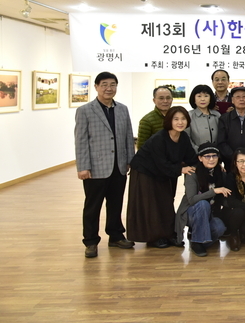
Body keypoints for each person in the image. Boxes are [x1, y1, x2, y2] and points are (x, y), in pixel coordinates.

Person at [75, 71, 136, 258]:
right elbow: (81, 141)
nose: (109, 88)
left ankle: (116, 236)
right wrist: (82, 166)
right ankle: (91, 241)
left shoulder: (122, 109)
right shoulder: (85, 110)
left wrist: (130, 161)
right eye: (104, 85)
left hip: (119, 166)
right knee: (92, 206)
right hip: (95, 168)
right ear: (96, 87)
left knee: (116, 204)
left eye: (112, 85)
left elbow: (128, 136)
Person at [127, 106, 198, 248]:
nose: (180, 122)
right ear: (169, 121)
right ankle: (153, 237)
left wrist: (205, 165)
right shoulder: (159, 138)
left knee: (166, 202)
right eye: (176, 119)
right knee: (151, 205)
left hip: (163, 172)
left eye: (183, 119)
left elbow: (191, 157)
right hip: (145, 172)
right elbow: (161, 163)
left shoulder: (183, 137)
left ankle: (168, 234)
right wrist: (181, 169)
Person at [174, 143, 228, 257]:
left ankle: (197, 237)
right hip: (191, 212)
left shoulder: (220, 173)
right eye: (207, 156)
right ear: (200, 158)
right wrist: (214, 191)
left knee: (220, 228)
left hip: (209, 214)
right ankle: (197, 242)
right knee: (203, 204)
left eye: (214, 156)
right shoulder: (192, 173)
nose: (211, 159)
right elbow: (192, 200)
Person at [218, 148, 245, 251]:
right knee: (238, 212)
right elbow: (231, 201)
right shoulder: (230, 177)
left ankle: (242, 233)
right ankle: (233, 235)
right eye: (241, 161)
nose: (244, 164)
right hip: (232, 212)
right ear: (235, 163)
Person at [216, 86, 245, 168]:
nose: (241, 99)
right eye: (238, 97)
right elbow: (222, 142)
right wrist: (234, 158)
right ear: (232, 100)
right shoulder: (224, 119)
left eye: (244, 96)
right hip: (231, 162)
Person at [185, 85, 220, 152]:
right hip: (196, 154)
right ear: (194, 99)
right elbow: (186, 138)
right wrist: (199, 151)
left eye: (206, 96)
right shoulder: (189, 116)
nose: (203, 99)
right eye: (199, 96)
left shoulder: (217, 115)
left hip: (216, 154)